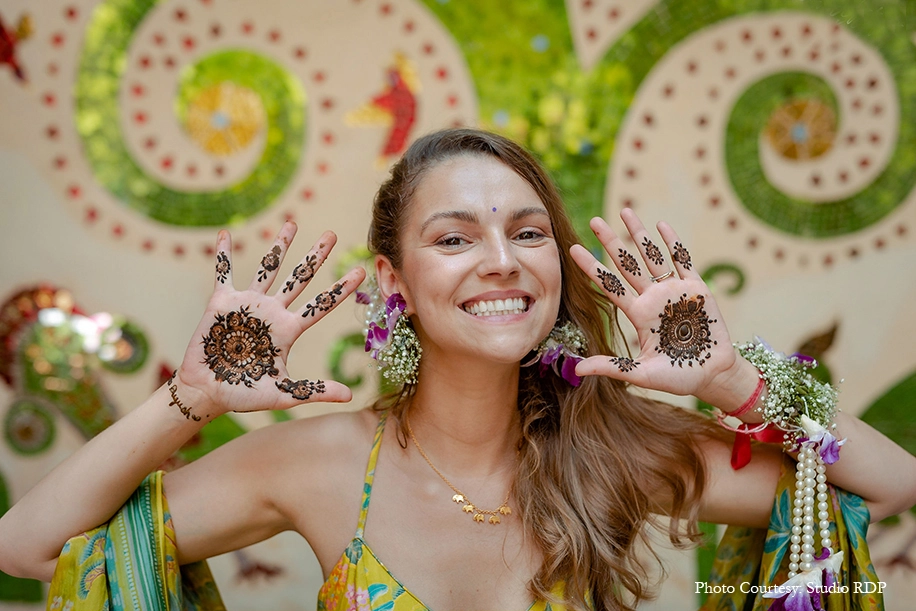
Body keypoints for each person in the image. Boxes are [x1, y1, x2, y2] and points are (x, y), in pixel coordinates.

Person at [0, 128, 914, 611]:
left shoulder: (616, 456)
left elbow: (890, 483)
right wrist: (190, 398)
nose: (502, 261)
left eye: (528, 232)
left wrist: (733, 382)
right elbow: (29, 546)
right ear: (394, 280)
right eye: (454, 238)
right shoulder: (315, 465)